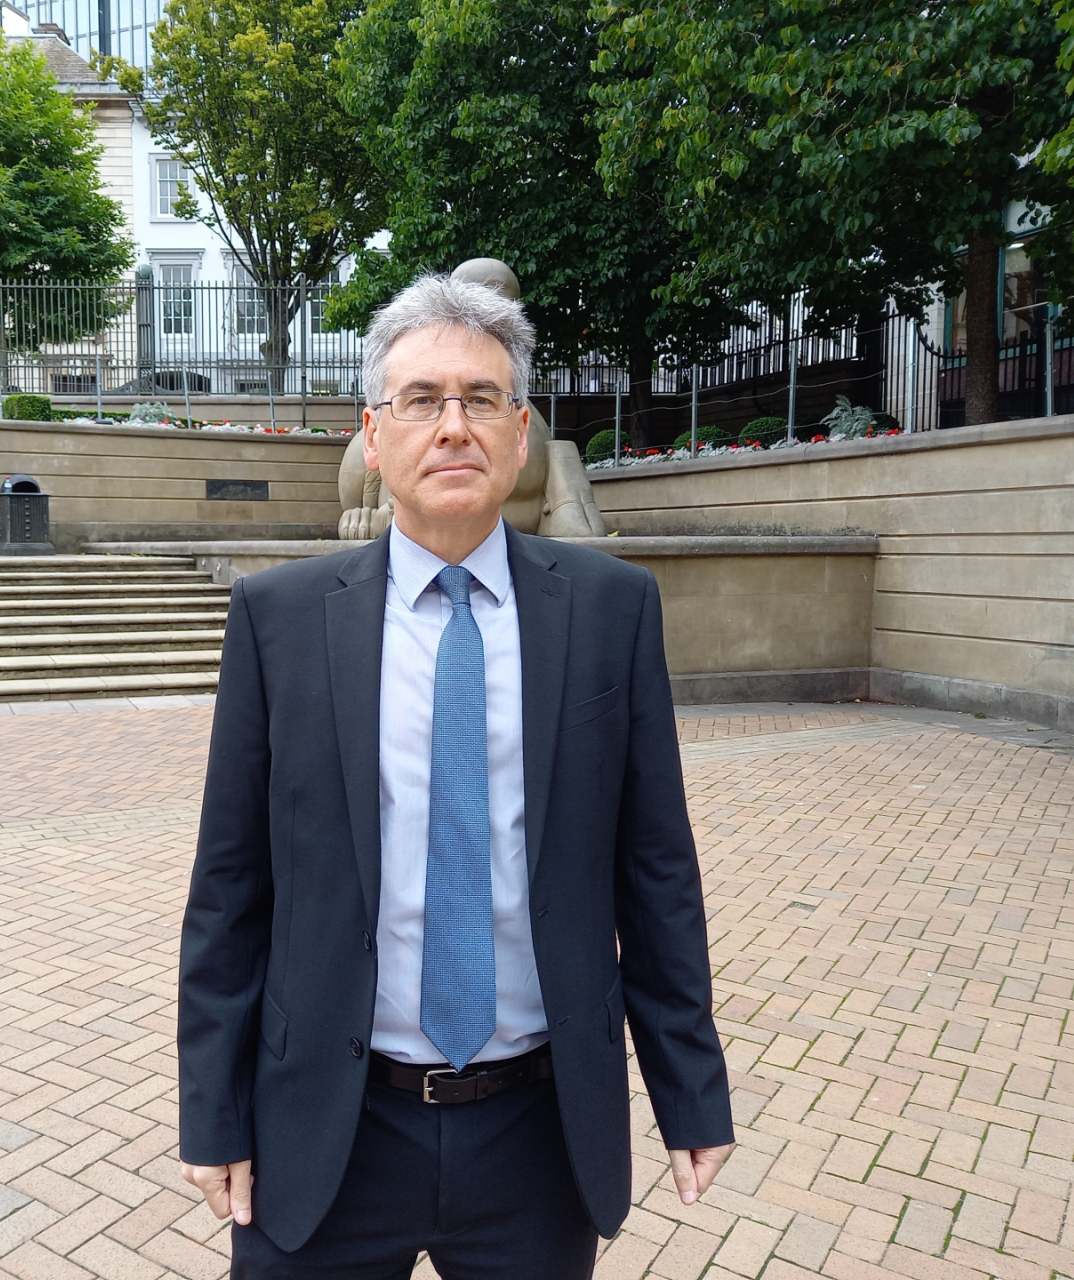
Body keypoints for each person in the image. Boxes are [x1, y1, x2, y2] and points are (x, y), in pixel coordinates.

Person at [178, 274, 734, 1278]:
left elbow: (656, 871)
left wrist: (689, 1088)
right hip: (326, 1128)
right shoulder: (279, 619)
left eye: (481, 399)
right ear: (373, 435)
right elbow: (230, 888)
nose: (452, 426)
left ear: (520, 435)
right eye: (421, 400)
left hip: (537, 1134)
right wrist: (213, 1112)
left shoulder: (610, 611)